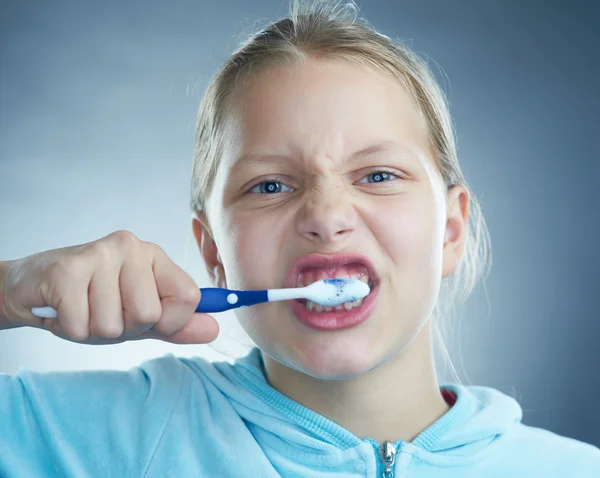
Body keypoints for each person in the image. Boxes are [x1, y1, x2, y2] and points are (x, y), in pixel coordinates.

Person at [1, 1, 598, 476]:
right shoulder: (99, 435)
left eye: (378, 175)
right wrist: (9, 291)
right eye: (269, 186)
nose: (327, 214)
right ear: (213, 253)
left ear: (450, 229)